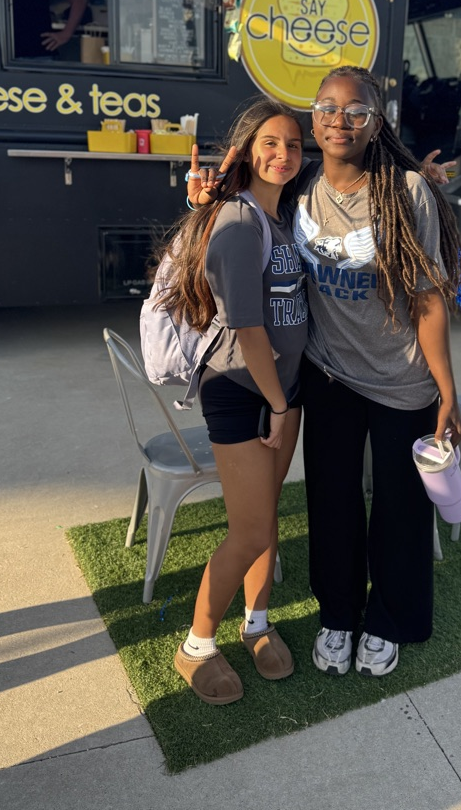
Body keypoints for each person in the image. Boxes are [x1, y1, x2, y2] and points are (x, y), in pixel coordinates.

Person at [188, 65, 461, 680]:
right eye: (328, 109)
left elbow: (426, 300)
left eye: (356, 110)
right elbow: (246, 193)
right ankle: (338, 617)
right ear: (315, 119)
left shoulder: (406, 192)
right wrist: (204, 195)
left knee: (399, 508)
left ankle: (388, 620)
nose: (340, 120)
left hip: (401, 380)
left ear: (375, 121)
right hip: (328, 374)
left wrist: (448, 391)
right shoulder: (301, 182)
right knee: (331, 502)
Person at [157, 97, 307, 705]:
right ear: (247, 151)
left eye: (294, 144)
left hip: (283, 391)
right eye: (269, 143)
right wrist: (276, 402)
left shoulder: (281, 217)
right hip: (246, 394)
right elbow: (245, 325)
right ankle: (195, 647)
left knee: (267, 517)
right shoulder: (242, 224)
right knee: (247, 532)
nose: (283, 154)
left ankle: (257, 624)